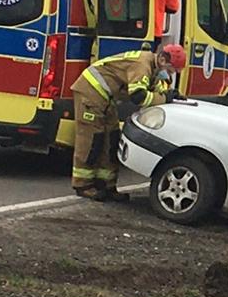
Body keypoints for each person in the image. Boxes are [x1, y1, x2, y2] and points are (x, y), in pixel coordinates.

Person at [69, 44, 187, 201]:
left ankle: (106, 185)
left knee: (111, 139)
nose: (170, 74)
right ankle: (82, 184)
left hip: (106, 97)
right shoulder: (142, 64)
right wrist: (165, 98)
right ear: (163, 60)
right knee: (92, 139)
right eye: (171, 70)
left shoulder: (153, 67)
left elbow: (155, 88)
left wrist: (171, 95)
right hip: (90, 92)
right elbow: (139, 97)